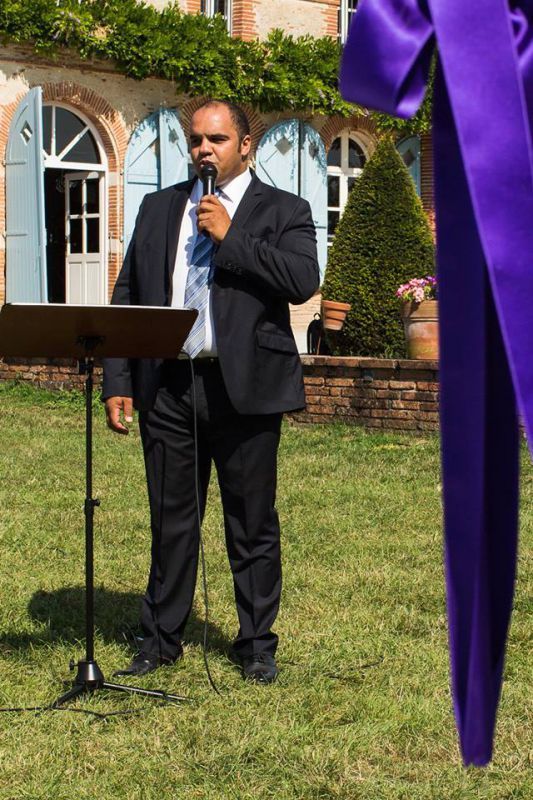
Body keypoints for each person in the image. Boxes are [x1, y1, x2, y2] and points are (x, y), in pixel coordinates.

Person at [102, 100, 319, 683]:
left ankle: (255, 645)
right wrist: (118, 379)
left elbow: (302, 281)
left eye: (217, 139)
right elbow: (129, 296)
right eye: (195, 139)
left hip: (246, 388)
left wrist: (230, 236)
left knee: (251, 522)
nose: (204, 149)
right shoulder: (158, 207)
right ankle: (160, 638)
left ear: (245, 145)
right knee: (172, 519)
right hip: (170, 386)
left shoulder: (284, 209)